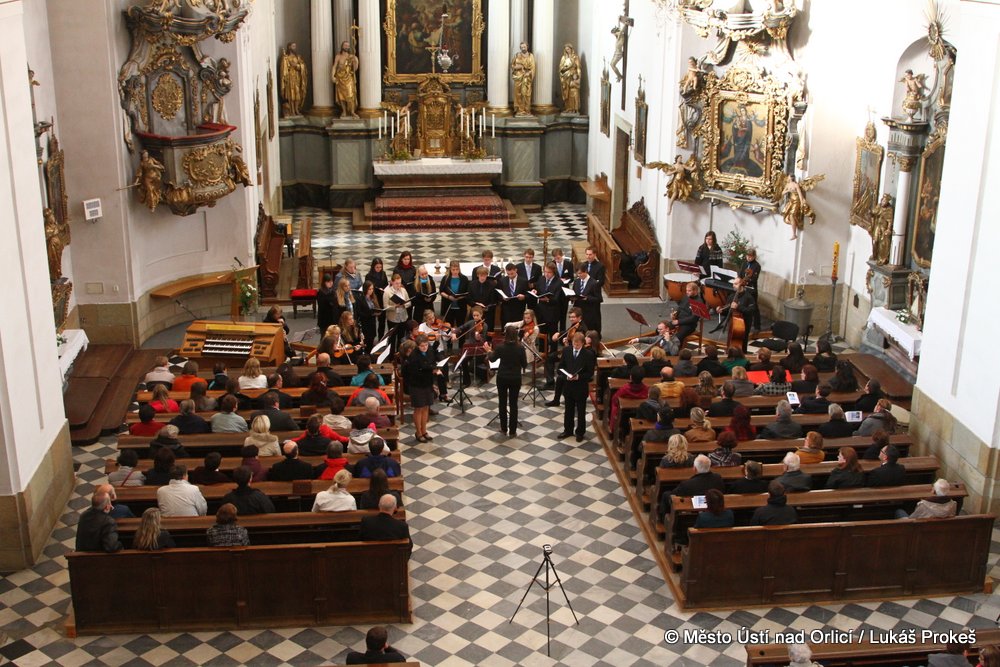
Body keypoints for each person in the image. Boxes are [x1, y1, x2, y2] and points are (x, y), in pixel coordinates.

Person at [484, 326, 527, 438]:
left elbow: (492, 359)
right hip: (515, 378)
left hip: (502, 377)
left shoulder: (500, 347)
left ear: (506, 335)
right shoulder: (520, 348)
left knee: (502, 403)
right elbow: (524, 364)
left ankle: (503, 429)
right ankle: (513, 431)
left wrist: (488, 351)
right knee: (514, 404)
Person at [557, 332, 596, 442]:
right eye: (574, 343)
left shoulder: (588, 354)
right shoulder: (567, 350)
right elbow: (560, 367)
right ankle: (568, 430)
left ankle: (580, 432)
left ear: (583, 343)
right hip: (568, 386)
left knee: (581, 411)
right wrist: (566, 376)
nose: (575, 346)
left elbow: (590, 373)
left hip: (580, 387)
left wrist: (578, 376)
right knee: (568, 410)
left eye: (578, 344)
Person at [404, 334, 441, 443]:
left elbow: (432, 361)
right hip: (417, 385)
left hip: (427, 383)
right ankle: (418, 432)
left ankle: (424, 431)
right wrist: (431, 370)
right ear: (417, 346)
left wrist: (435, 368)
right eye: (422, 346)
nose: (425, 347)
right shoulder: (413, 356)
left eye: (426, 345)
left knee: (426, 407)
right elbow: (414, 373)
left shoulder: (429, 351)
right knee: (419, 408)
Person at [572, 261, 603, 334]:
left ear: (586, 271)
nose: (578, 275)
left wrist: (587, 298)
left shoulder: (594, 283)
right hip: (579, 310)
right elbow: (574, 293)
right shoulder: (576, 282)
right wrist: (572, 298)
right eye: (577, 273)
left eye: (580, 273)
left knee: (588, 332)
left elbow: (599, 299)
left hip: (590, 312)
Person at [331, 40, 359, 118]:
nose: (346, 47)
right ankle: (344, 111)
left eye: (348, 46)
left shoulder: (351, 57)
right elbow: (334, 66)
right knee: (341, 96)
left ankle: (352, 111)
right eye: (345, 45)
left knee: (350, 95)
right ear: (342, 46)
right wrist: (332, 76)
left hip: (348, 78)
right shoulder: (338, 56)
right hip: (340, 78)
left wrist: (356, 61)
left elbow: (354, 69)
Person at [439, 260, 470, 330]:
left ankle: (461, 338)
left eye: (457, 269)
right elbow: (441, 291)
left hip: (460, 306)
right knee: (449, 327)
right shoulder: (445, 278)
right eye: (453, 270)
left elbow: (467, 293)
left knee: (461, 327)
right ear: (450, 269)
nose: (455, 271)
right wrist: (448, 296)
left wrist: (459, 297)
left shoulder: (464, 279)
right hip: (448, 306)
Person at [280, 42, 307, 117]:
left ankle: (296, 109)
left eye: (295, 46)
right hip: (290, 78)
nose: (294, 48)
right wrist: (285, 62)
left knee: (297, 94)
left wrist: (297, 66)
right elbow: (284, 70)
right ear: (289, 47)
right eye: (293, 46)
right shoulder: (286, 58)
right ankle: (292, 110)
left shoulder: (298, 57)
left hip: (297, 77)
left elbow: (303, 66)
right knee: (291, 94)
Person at [383, 273, 411, 349]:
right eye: (396, 283)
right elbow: (385, 306)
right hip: (393, 319)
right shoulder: (387, 292)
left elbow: (409, 302)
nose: (398, 285)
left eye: (399, 283)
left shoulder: (403, 290)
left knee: (401, 338)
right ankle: (391, 354)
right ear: (392, 282)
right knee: (392, 338)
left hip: (403, 318)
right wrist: (394, 306)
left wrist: (404, 305)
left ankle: (399, 353)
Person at [511, 41, 536, 117]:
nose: (523, 48)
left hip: (527, 77)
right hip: (518, 77)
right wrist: (517, 67)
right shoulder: (517, 55)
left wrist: (529, 73)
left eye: (524, 47)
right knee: (518, 93)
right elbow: (512, 65)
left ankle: (527, 110)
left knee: (526, 94)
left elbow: (533, 67)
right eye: (521, 47)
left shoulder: (531, 56)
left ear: (527, 47)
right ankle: (520, 110)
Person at [558, 43, 581, 114]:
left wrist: (579, 77)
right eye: (566, 49)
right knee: (566, 93)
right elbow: (561, 69)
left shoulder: (575, 57)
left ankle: (574, 108)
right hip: (565, 78)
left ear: (571, 49)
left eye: (568, 49)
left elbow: (578, 68)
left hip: (573, 76)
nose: (567, 51)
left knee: (573, 92)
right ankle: (567, 108)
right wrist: (568, 67)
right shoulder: (564, 58)